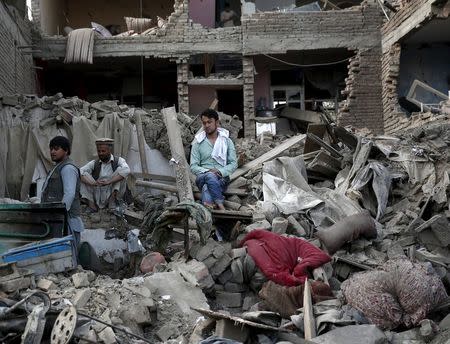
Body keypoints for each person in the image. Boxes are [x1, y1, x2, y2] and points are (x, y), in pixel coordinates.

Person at [41, 136, 84, 247]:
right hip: (58, 220)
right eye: (51, 149)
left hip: (66, 221)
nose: (52, 152)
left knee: (67, 255)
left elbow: (69, 195)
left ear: (66, 151)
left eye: (56, 148)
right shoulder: (57, 167)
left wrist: (60, 216)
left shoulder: (68, 168)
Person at [190, 109, 237, 210]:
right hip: (202, 177)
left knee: (207, 187)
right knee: (210, 176)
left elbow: (233, 163)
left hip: (221, 178)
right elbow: (193, 166)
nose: (207, 125)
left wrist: (220, 171)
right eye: (204, 123)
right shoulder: (197, 143)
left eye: (209, 122)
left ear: (216, 122)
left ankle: (209, 209)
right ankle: (221, 205)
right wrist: (208, 172)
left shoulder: (226, 141)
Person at [80, 138, 130, 212]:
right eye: (99, 151)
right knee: (83, 174)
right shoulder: (94, 163)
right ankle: (92, 206)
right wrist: (93, 183)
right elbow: (79, 171)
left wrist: (109, 182)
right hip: (98, 193)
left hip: (111, 193)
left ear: (110, 151)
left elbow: (127, 170)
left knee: (121, 171)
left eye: (103, 151)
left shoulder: (119, 161)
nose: (100, 153)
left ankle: (112, 204)